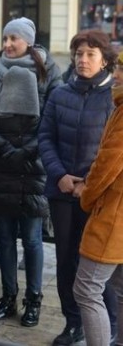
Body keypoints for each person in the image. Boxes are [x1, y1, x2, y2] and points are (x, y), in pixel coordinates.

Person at [0, 17, 62, 327]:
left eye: (14, 38)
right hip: (0, 166)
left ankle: (33, 299)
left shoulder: (48, 71)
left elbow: (53, 118)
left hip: (32, 169)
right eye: (5, 38)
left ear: (28, 40)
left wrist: (28, 151)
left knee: (34, 239)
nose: (7, 44)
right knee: (5, 237)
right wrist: (5, 149)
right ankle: (9, 296)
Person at [39, 29, 118, 345]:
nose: (83, 60)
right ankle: (74, 322)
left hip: (98, 196)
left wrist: (88, 184)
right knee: (66, 259)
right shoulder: (60, 93)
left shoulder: (113, 98)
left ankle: (109, 324)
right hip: (62, 191)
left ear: (104, 59)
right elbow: (45, 137)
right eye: (79, 54)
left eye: (90, 54)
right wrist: (59, 175)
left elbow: (112, 151)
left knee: (100, 263)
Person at [73, 54, 123, 346]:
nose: (116, 74)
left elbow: (108, 162)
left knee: (87, 289)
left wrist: (88, 195)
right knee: (120, 289)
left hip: (114, 214)